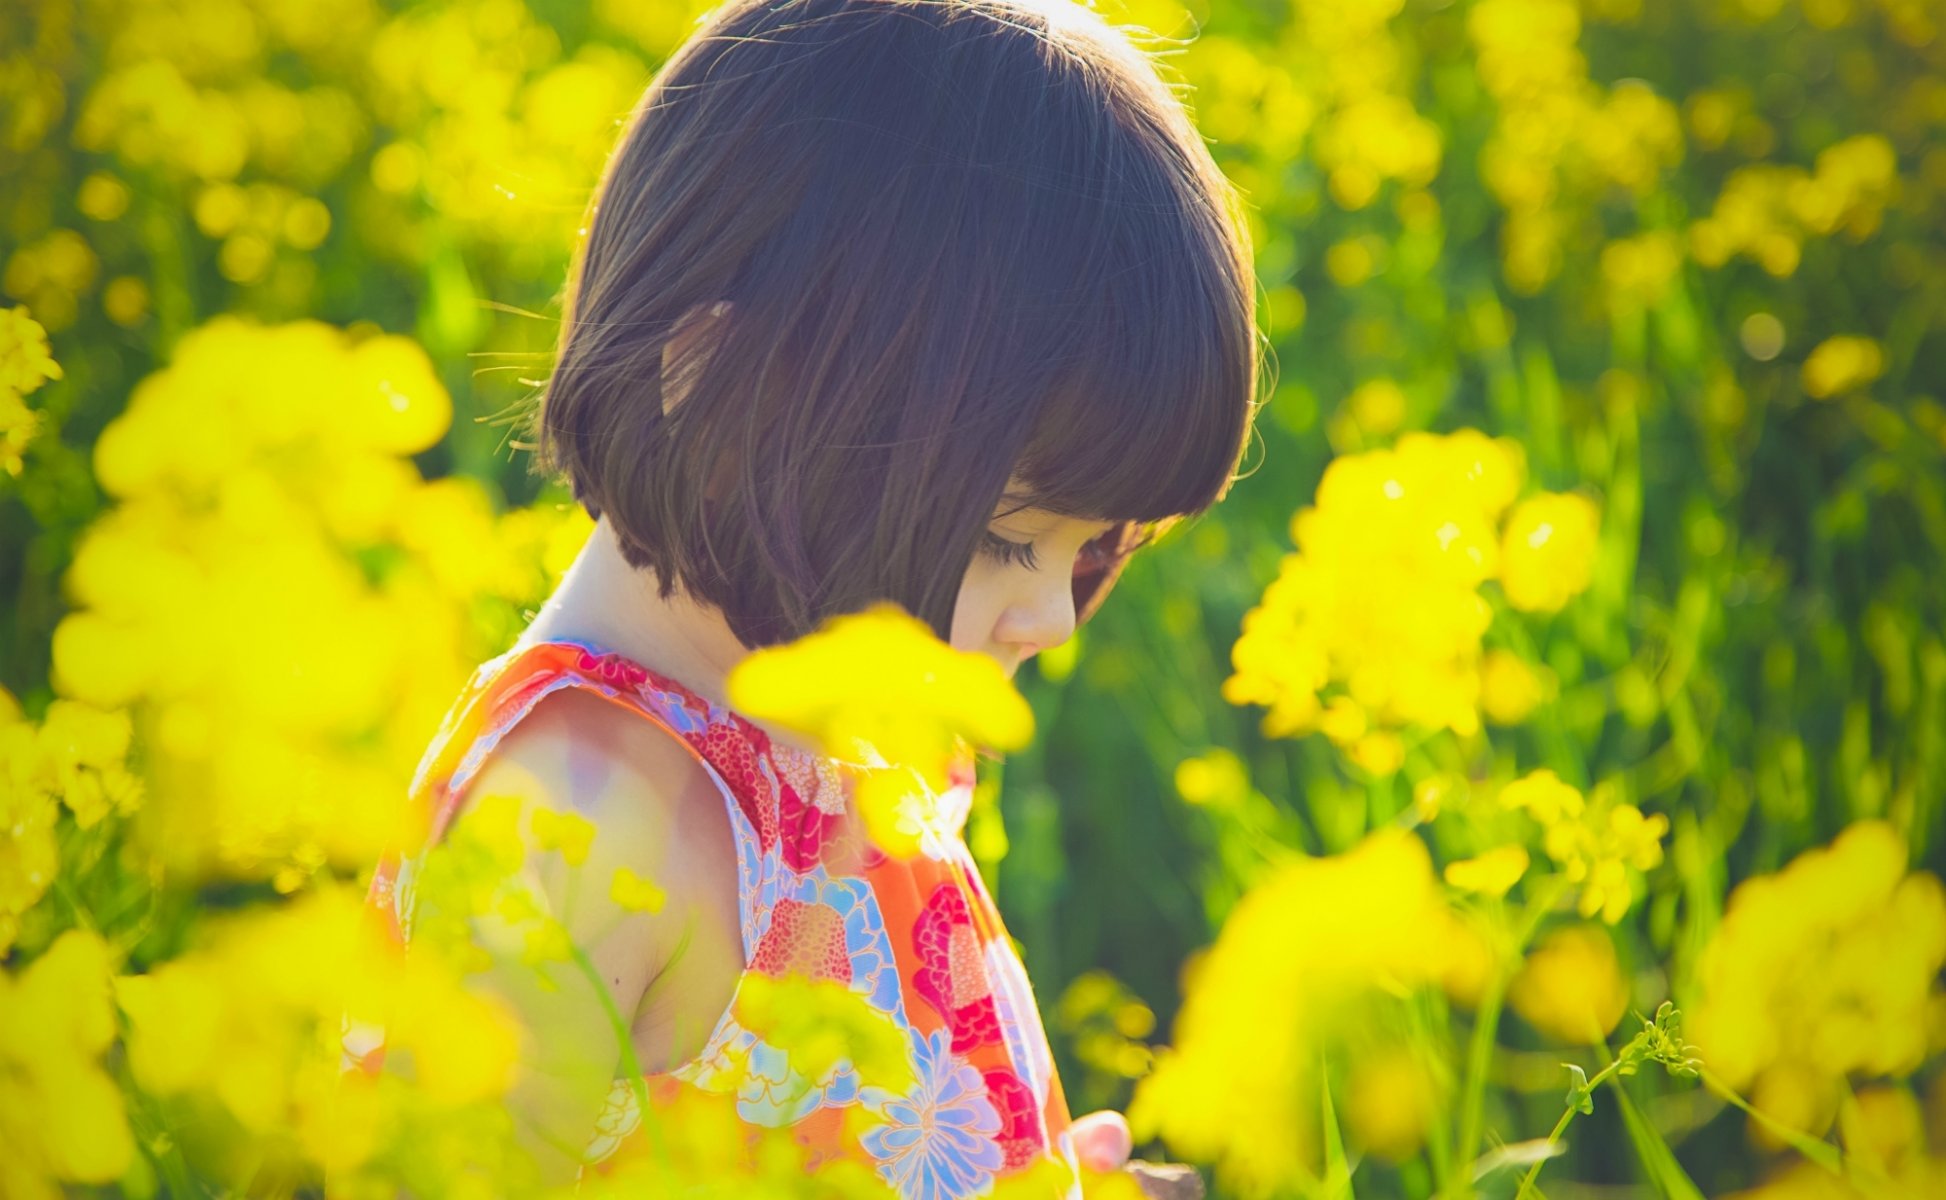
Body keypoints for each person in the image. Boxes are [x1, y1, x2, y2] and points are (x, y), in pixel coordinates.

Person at [352, 0, 1262, 1194]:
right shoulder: (577, 822)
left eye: (1088, 548)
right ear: (726, 396)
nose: (1046, 617)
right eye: (1000, 538)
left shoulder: (831, 741)